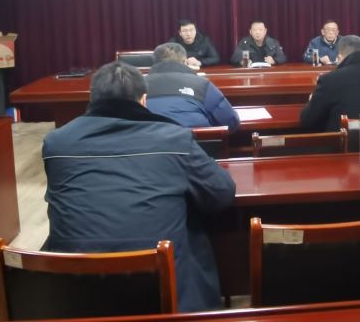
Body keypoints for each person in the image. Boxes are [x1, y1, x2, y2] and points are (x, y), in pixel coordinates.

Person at [43, 62, 236, 312]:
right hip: (163, 295)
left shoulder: (57, 143)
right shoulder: (174, 138)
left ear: (91, 99)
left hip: (76, 296)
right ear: (144, 100)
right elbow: (222, 193)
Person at [146, 42, 240, 132]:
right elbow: (230, 122)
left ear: (154, 62)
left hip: (147, 141)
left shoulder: (139, 85)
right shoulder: (202, 85)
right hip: (194, 142)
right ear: (184, 62)